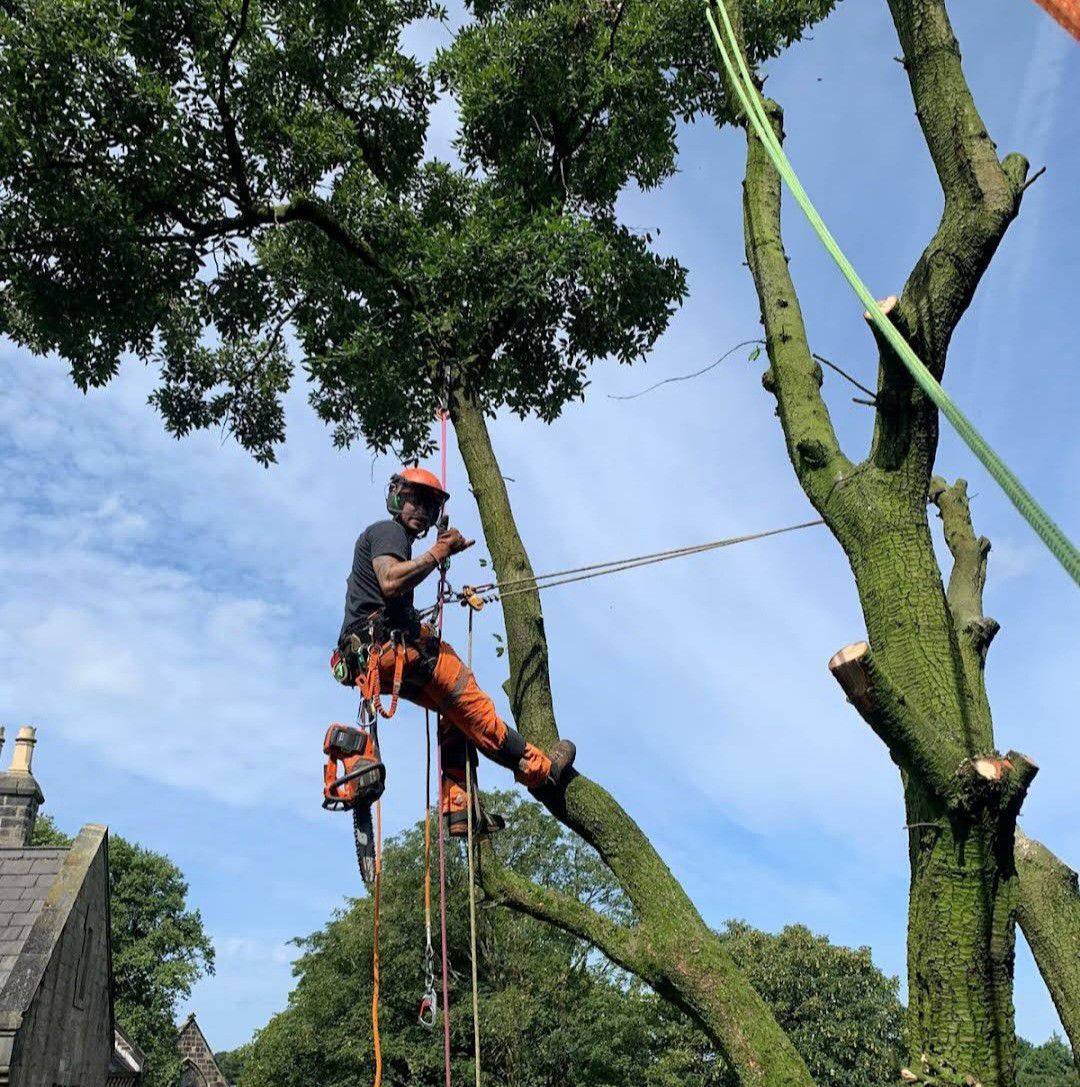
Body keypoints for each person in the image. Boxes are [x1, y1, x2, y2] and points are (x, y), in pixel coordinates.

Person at [337, 467, 576, 835]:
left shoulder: (392, 541)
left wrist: (433, 574)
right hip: (390, 652)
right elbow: (389, 581)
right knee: (474, 707)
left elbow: (392, 598)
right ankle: (542, 770)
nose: (420, 510)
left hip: (373, 658)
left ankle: (458, 808)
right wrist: (439, 551)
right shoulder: (389, 532)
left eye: (429, 505)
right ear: (397, 497)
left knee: (455, 716)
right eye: (414, 499)